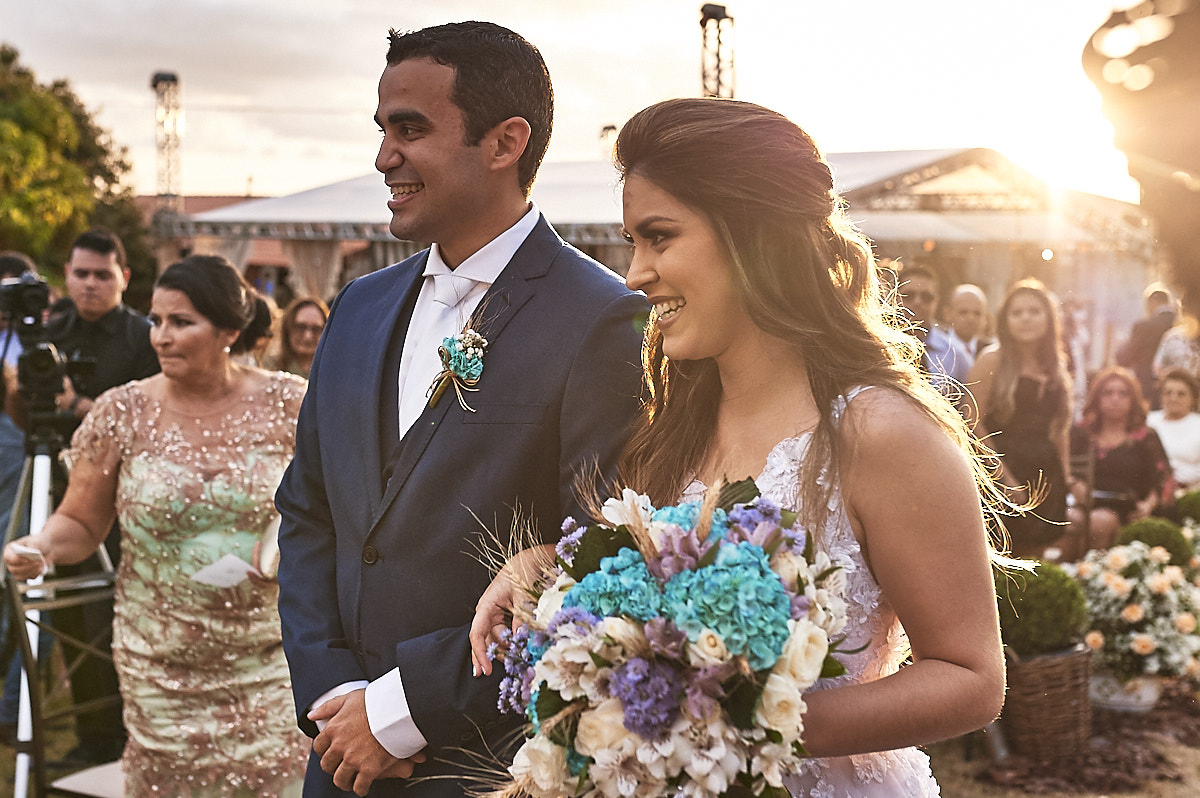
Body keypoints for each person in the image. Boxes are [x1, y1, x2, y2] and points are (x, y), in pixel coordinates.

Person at [470, 97, 1007, 797]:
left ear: (754, 236)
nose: (634, 273)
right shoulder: (667, 431)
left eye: (659, 237)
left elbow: (971, 681)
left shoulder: (880, 432)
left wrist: (733, 720)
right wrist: (554, 573)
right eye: (633, 242)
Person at [274, 21, 647, 798]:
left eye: (411, 130)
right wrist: (339, 696)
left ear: (505, 141)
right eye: (382, 130)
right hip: (339, 758)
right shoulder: (358, 306)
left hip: (491, 764)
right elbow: (310, 516)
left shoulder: (602, 320)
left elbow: (599, 562)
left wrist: (403, 708)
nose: (384, 157)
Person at [3, 254, 309, 796]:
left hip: (268, 658)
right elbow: (79, 520)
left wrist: (285, 547)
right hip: (158, 665)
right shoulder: (122, 412)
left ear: (229, 331)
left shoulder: (291, 404)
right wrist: (42, 545)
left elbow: (332, 511)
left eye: (181, 322)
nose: (162, 337)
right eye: (156, 321)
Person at [966, 279, 1072, 559]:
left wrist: (1067, 479)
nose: (1025, 318)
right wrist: (1004, 479)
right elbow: (970, 422)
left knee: (1037, 559)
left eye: (1034, 311)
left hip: (1045, 474)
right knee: (1000, 560)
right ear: (1006, 320)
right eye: (1017, 312)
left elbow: (1059, 429)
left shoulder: (1055, 366)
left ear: (1049, 318)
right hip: (1001, 470)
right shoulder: (992, 359)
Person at [1063, 367, 1171, 560]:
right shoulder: (1081, 433)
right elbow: (1063, 467)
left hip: (1126, 507)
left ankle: (1088, 578)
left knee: (1098, 523)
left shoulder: (1146, 437)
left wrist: (1148, 505)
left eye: (1123, 393)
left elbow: (1162, 477)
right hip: (1085, 502)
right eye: (1108, 393)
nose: (1115, 398)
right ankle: (1070, 576)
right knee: (1069, 521)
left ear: (1133, 399)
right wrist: (1072, 483)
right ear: (1097, 398)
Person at [898, 265, 970, 388]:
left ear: (936, 301)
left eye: (926, 297)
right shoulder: (880, 349)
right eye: (908, 295)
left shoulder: (954, 353)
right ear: (895, 298)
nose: (918, 302)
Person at [1118, 283, 1176, 408]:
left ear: (1151, 303)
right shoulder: (1182, 325)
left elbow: (1126, 356)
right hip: (1178, 388)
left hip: (1148, 386)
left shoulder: (1143, 326)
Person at [1148, 369, 1200, 495]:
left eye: (1181, 394)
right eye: (1168, 393)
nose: (1173, 398)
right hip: (1151, 491)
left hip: (1189, 491)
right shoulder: (1149, 420)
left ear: (1192, 397)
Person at [261, 296, 328, 378]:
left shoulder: (333, 372)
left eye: (316, 329)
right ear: (288, 328)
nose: (308, 336)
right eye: (301, 327)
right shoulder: (268, 367)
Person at [946, 283, 993, 365]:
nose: (970, 319)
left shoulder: (991, 352)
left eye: (977, 313)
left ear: (985, 318)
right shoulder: (935, 347)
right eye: (963, 312)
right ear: (947, 314)